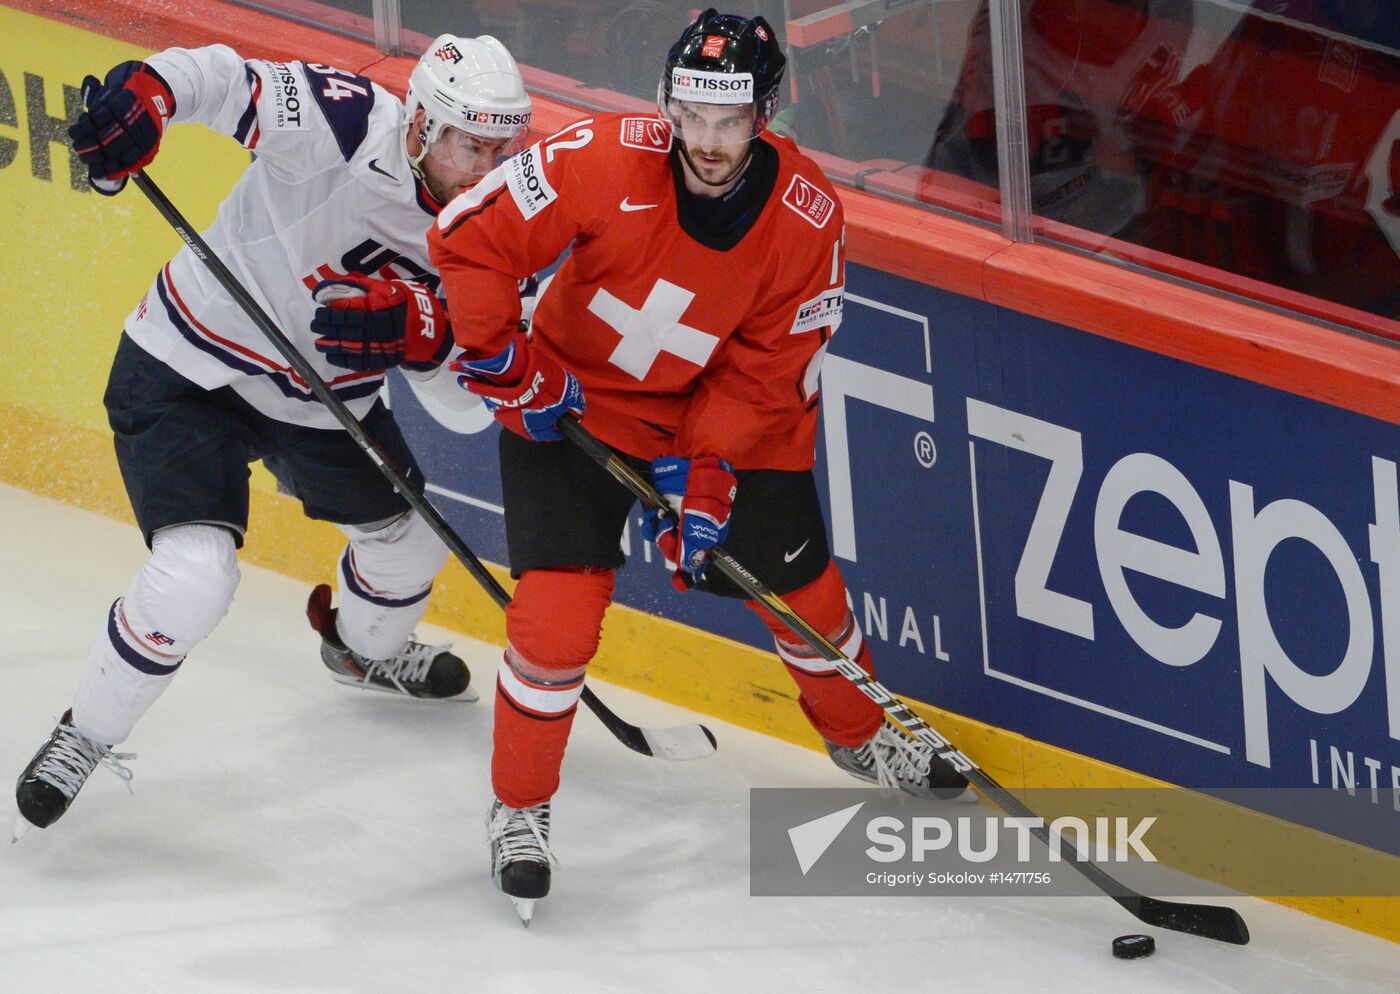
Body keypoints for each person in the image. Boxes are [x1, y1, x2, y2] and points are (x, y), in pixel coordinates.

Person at [315, 9, 971, 925]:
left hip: (722, 419)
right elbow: (472, 234)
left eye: (728, 122)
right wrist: (504, 356)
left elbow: (766, 373)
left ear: (765, 115)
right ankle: (520, 808)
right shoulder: (606, 155)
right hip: (574, 402)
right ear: (668, 104)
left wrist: (707, 474)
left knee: (802, 592)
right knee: (554, 621)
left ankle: (863, 739)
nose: (705, 143)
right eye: (690, 117)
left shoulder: (805, 219)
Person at [14, 36, 532, 838]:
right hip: (191, 365)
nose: (489, 166)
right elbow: (222, 82)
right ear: (424, 124)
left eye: (506, 148)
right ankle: (83, 731)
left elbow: (467, 404)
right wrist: (146, 95)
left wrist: (426, 336)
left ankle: (359, 653)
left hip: (324, 402)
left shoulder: (505, 230)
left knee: (413, 547)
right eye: (473, 144)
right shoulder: (349, 120)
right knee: (195, 576)